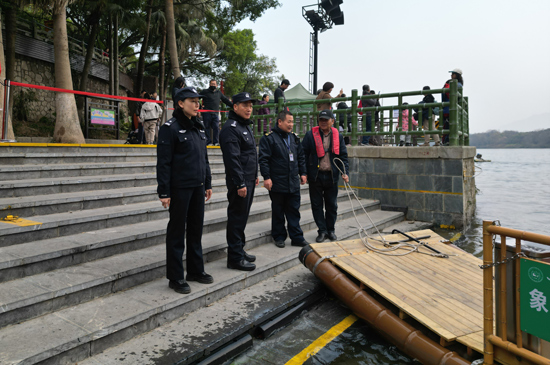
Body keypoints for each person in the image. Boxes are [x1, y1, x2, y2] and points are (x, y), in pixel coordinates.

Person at [156, 86, 213, 294]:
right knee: (177, 232)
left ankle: (196, 271)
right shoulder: (169, 128)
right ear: (180, 103)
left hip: (198, 187)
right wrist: (164, 192)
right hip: (179, 189)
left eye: (198, 101)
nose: (197, 104)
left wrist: (207, 183)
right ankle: (176, 276)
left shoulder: (198, 127)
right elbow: (164, 163)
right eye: (192, 101)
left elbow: (203, 158)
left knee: (196, 230)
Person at [219, 92, 260, 271]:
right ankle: (234, 258)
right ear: (235, 107)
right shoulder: (231, 128)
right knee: (236, 218)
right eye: (245, 105)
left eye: (250, 105)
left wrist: (255, 174)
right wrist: (240, 183)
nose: (249, 108)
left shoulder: (244, 126)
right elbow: (232, 159)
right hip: (240, 182)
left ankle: (239, 249)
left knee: (242, 218)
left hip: (249, 178)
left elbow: (250, 154)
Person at [259, 110, 308, 249]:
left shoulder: (294, 138)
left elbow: (301, 157)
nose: (291, 124)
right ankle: (279, 236)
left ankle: (296, 237)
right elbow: (264, 160)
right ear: (280, 121)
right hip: (277, 181)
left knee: (294, 210)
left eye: (292, 122)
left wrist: (303, 173)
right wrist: (266, 177)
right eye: (289, 121)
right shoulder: (269, 139)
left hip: (293, 181)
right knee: (278, 211)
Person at [302, 110, 349, 243]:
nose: (323, 122)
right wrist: (304, 173)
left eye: (326, 120)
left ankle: (331, 230)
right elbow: (303, 154)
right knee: (316, 205)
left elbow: (343, 156)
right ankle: (322, 231)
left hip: (331, 175)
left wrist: (345, 173)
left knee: (332, 205)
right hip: (315, 176)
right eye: (321, 119)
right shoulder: (311, 135)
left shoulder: (338, 136)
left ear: (332, 121)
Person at [200, 79, 233, 145]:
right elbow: (197, 98)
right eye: (212, 84)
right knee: (206, 127)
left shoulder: (219, 93)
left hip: (215, 113)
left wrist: (233, 105)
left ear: (217, 85)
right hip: (206, 113)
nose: (213, 85)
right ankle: (208, 141)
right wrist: (199, 107)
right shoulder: (205, 92)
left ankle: (216, 142)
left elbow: (225, 100)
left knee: (216, 127)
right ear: (209, 84)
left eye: (214, 84)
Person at [442, 68, 464, 145]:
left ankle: (448, 141)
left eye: (453, 74)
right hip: (448, 108)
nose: (451, 75)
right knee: (449, 126)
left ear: (457, 75)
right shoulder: (457, 84)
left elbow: (448, 95)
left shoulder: (457, 84)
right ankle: (448, 141)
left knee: (449, 126)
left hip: (449, 108)